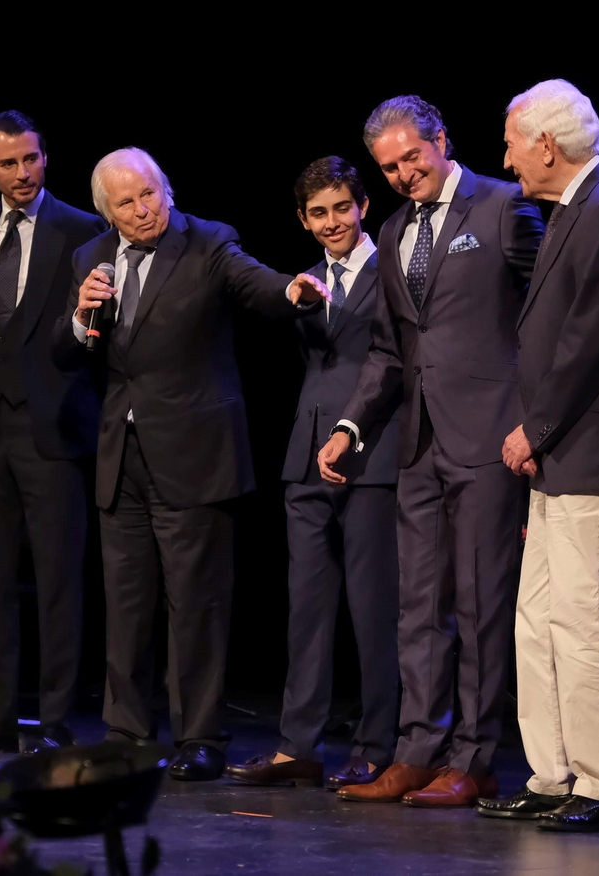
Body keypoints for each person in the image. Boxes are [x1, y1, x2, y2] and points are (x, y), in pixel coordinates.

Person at [52, 147, 329, 781]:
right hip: (121, 458)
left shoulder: (208, 243)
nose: (141, 209)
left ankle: (200, 735)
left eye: (148, 193)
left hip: (194, 456)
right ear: (107, 213)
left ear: (166, 191)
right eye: (125, 203)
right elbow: (65, 354)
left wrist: (292, 290)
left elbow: (254, 282)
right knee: (125, 604)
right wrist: (80, 315)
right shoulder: (89, 260)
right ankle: (126, 732)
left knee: (195, 603)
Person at [320, 95, 543, 808]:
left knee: (478, 602)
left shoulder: (505, 206)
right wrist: (352, 427)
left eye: (411, 157)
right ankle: (418, 749)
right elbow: (391, 349)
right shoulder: (389, 231)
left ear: (442, 139)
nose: (402, 174)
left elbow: (551, 313)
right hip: (418, 442)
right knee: (419, 603)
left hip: (490, 438)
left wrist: (535, 419)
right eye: (388, 166)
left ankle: (474, 757)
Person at [475, 79, 599, 833]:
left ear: (546, 144)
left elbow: (591, 344)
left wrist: (533, 428)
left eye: (513, 140)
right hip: (557, 451)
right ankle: (552, 773)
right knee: (537, 617)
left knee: (582, 619)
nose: (507, 155)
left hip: (586, 447)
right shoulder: (577, 207)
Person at [226, 157, 401, 792]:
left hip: (371, 455)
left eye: (342, 208)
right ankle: (298, 745)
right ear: (303, 220)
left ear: (363, 208)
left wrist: (352, 434)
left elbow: (394, 364)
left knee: (374, 608)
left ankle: (379, 745)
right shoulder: (303, 283)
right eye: (319, 213)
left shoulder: (393, 268)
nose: (333, 222)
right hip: (305, 458)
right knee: (306, 608)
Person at [0, 111, 105, 752]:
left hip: (53, 430)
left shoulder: (80, 228)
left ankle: (52, 720)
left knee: (58, 581)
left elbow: (94, 336)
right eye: (9, 163)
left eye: (31, 160)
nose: (22, 173)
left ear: (45, 159)